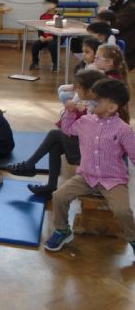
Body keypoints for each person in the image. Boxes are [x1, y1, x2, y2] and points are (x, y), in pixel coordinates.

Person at [44, 79, 135, 252]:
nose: (90, 102)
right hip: (86, 176)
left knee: (122, 211)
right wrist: (69, 112)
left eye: (97, 100)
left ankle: (133, 238)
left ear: (112, 108)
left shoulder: (123, 129)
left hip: (113, 180)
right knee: (59, 196)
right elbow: (67, 129)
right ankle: (62, 230)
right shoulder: (86, 121)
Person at [7, 69, 106, 197]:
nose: (76, 91)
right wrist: (71, 111)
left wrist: (79, 111)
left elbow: (81, 132)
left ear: (91, 90)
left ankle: (29, 165)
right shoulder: (91, 103)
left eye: (79, 89)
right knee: (55, 144)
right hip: (85, 146)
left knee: (54, 135)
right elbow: (69, 129)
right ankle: (50, 185)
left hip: (92, 154)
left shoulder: (100, 107)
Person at [58, 37, 101, 104]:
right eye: (83, 51)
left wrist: (73, 102)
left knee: (63, 95)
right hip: (84, 90)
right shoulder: (87, 64)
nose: (83, 54)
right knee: (61, 88)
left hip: (89, 96)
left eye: (87, 52)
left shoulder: (93, 67)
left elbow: (83, 88)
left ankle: (72, 108)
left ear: (96, 54)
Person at [108, 0, 135, 69]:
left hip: (127, 45)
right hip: (119, 39)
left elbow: (117, 26)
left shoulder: (131, 7)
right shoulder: (121, 4)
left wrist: (105, 18)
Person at [29, 0, 59, 72]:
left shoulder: (59, 17)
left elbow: (61, 31)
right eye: (45, 3)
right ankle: (35, 62)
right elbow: (40, 29)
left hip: (55, 39)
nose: (45, 5)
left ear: (54, 5)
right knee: (35, 45)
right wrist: (40, 36)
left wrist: (53, 37)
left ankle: (55, 64)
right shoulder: (42, 16)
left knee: (52, 45)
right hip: (44, 39)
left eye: (47, 3)